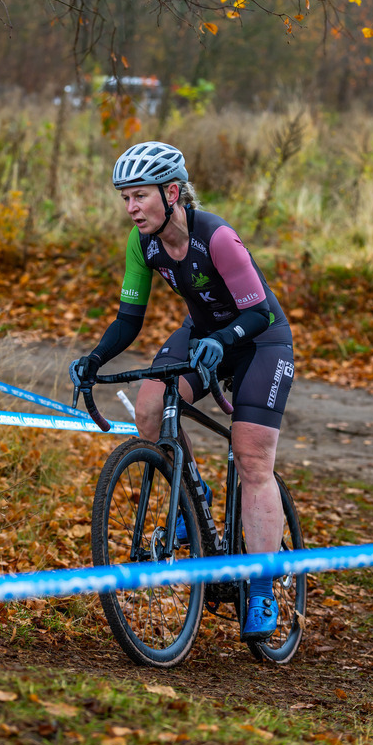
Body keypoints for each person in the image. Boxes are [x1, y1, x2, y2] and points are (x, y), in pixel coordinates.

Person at [69, 141, 294, 642]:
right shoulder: (141, 244)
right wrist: (95, 358)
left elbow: (258, 313)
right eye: (125, 197)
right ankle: (194, 497)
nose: (131, 208)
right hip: (202, 334)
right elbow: (130, 320)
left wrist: (223, 340)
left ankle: (260, 589)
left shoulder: (216, 237)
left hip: (260, 340)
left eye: (140, 196)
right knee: (150, 409)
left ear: (171, 192)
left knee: (251, 456)